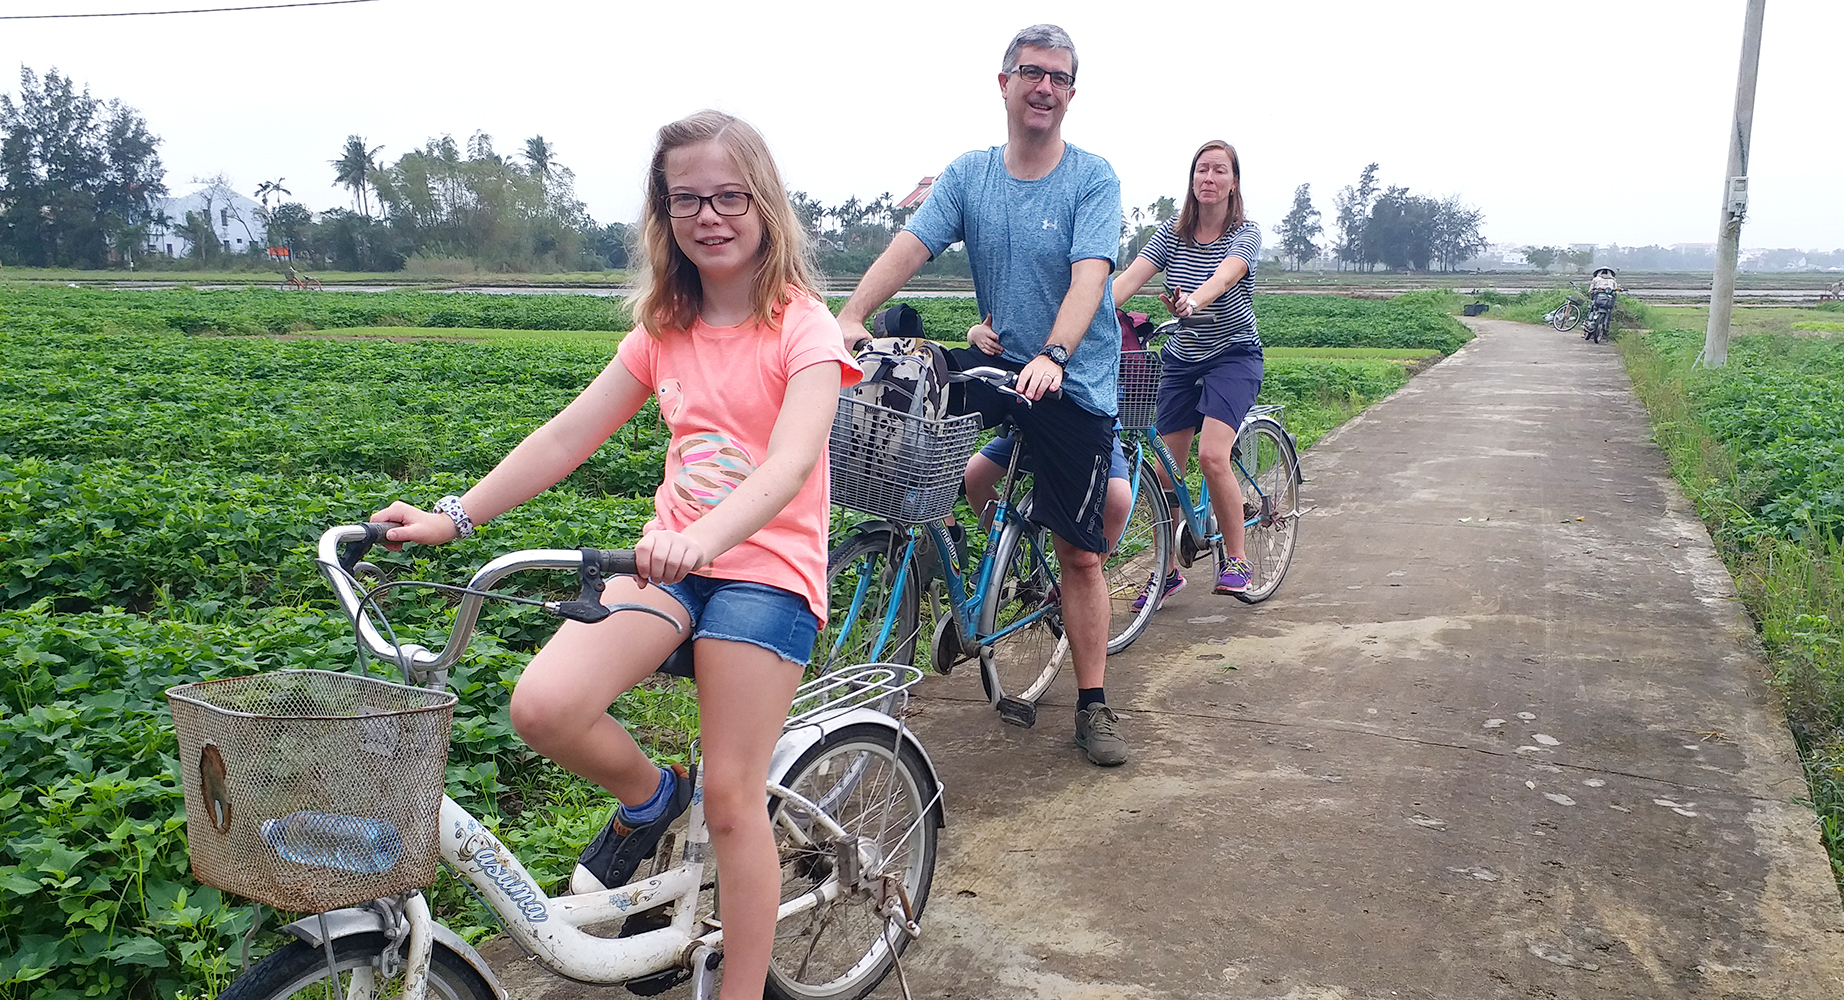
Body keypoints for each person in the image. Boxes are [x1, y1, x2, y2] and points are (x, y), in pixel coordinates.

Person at [371, 110, 859, 1000]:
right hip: (670, 568)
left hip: (767, 577)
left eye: (728, 196)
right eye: (686, 201)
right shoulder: (662, 328)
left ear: (764, 204)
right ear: (663, 214)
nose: (709, 216)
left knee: (735, 798)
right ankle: (648, 800)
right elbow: (567, 436)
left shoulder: (803, 325)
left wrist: (704, 538)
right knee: (545, 705)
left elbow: (790, 463)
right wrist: (455, 517)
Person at [837, 23, 1130, 767]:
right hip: (1002, 363)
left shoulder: (1092, 178)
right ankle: (953, 572)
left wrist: (1058, 354)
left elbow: (1089, 278)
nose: (1045, 87)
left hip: (1069, 380)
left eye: (1059, 78)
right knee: (927, 459)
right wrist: (850, 315)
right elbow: (912, 246)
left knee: (1080, 554)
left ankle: (1092, 703)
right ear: (1004, 83)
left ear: (1070, 94)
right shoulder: (970, 175)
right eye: (1032, 73)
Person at [1108, 139, 1263, 603]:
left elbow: (1227, 275)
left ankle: (1237, 559)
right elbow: (1129, 279)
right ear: (1192, 180)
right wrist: (1083, 317)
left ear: (1234, 182)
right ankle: (1167, 570)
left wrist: (1193, 300)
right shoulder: (1170, 235)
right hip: (1181, 358)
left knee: (1212, 456)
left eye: (1219, 171)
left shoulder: (1245, 234)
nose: (1209, 179)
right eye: (1202, 170)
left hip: (1233, 356)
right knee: (1162, 470)